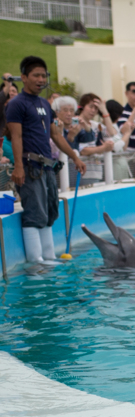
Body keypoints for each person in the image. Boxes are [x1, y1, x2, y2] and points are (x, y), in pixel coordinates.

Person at [6, 55, 86, 264]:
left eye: (44, 75)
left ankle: (48, 257)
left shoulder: (44, 103)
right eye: (36, 75)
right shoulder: (17, 104)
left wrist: (73, 157)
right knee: (35, 213)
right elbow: (16, 136)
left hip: (48, 168)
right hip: (30, 167)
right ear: (24, 77)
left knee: (50, 212)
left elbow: (56, 136)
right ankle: (36, 261)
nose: (41, 79)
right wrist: (19, 167)